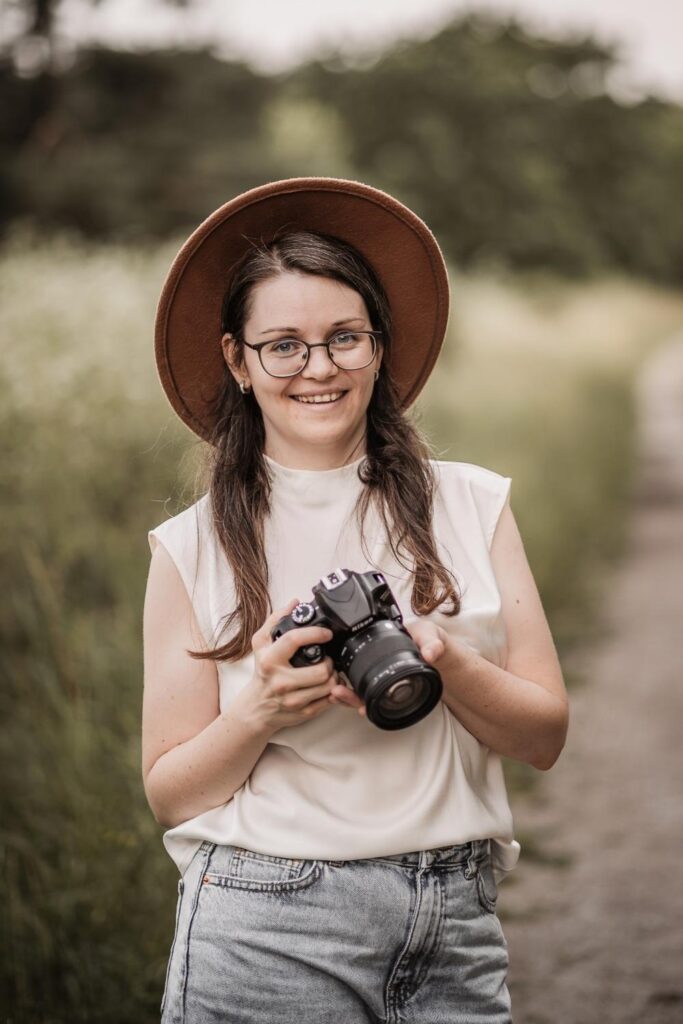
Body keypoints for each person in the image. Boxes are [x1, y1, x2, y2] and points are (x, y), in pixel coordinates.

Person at [142, 177, 569, 1024]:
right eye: (284, 346)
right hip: (265, 924)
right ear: (237, 358)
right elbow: (170, 793)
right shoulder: (190, 544)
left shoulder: (472, 503)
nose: (320, 368)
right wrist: (259, 709)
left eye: (344, 337)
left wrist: (442, 662)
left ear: (378, 344)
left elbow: (545, 736)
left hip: (455, 921)